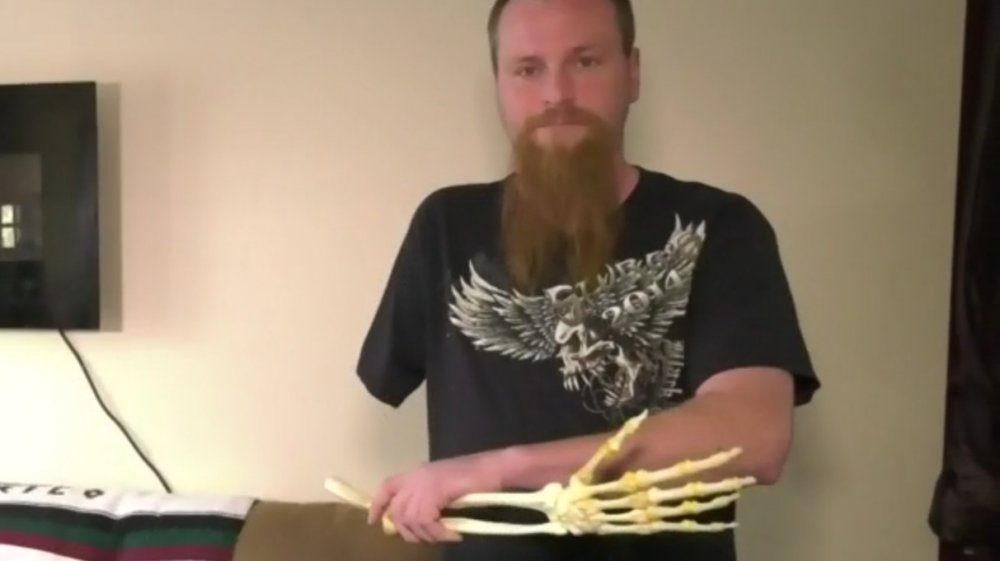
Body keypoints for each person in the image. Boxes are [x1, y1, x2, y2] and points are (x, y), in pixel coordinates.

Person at [354, 0, 820, 559]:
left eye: (586, 61)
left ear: (632, 72)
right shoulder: (446, 228)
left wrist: (501, 468)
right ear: (499, 86)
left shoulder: (720, 227)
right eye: (528, 69)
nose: (557, 94)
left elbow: (754, 436)